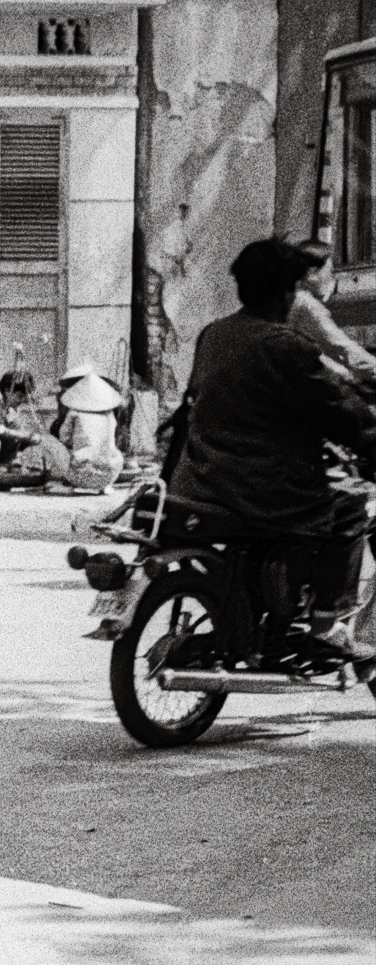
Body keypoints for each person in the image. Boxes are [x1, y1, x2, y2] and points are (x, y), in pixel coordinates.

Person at [170, 235, 376, 659]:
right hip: (264, 487)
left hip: (204, 476)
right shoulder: (286, 346)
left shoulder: (214, 334)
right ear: (288, 292)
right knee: (352, 506)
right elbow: (340, 414)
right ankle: (327, 625)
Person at [287, 240, 376, 393]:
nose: (332, 279)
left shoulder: (291, 297)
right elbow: (342, 347)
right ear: (312, 274)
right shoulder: (305, 304)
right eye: (330, 272)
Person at [52, 364, 125, 492]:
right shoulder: (109, 414)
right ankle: (103, 486)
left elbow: (64, 439)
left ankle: (70, 483)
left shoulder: (74, 412)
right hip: (110, 474)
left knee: (54, 445)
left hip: (81, 474)